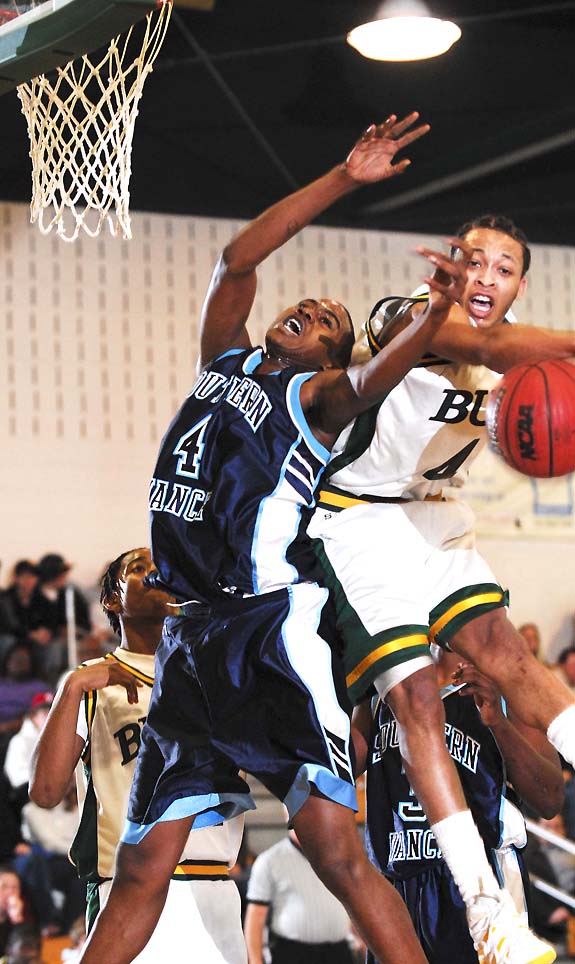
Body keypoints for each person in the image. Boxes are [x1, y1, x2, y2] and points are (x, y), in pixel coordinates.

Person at [75, 113, 478, 964]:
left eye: (326, 319)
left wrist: (436, 312)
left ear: (329, 358)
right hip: (190, 639)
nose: (307, 309)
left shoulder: (318, 402)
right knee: (141, 862)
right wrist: (342, 176)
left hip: (266, 630)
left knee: (335, 853)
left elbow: (372, 378)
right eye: (305, 305)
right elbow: (237, 260)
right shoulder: (222, 363)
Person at [308, 212, 575, 963]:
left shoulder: (522, 359)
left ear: (520, 286)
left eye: (502, 268)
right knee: (418, 696)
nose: (485, 277)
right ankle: (486, 910)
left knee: (510, 658)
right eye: (473, 260)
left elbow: (516, 361)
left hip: (435, 514)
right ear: (450, 264)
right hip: (359, 519)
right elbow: (483, 347)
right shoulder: (406, 314)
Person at [29, 547, 246, 963]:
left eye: (162, 567)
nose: (154, 574)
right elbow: (45, 792)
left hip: (213, 884)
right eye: (139, 568)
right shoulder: (91, 683)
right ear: (113, 599)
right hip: (126, 890)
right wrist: (72, 687)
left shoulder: (218, 679)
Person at [352, 647, 564, 964]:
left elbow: (550, 799)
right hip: (396, 884)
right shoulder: (381, 685)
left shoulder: (504, 681)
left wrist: (499, 724)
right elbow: (341, 767)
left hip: (481, 883)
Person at [244, 827, 355, 964]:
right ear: (287, 816)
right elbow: (256, 917)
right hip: (292, 954)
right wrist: (255, 960)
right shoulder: (269, 860)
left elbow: (353, 904)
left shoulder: (341, 855)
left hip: (339, 953)